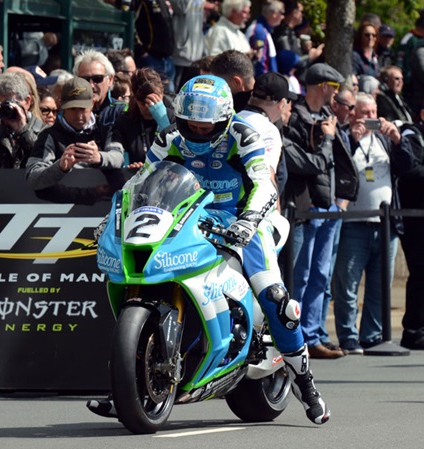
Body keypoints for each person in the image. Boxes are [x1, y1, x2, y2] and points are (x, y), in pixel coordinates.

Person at [88, 74, 331, 425]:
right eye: (191, 124)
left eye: (207, 126)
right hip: (187, 217)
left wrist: (248, 220)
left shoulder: (241, 136)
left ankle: (305, 384)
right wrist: (114, 219)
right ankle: (132, 389)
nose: (198, 131)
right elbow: (141, 184)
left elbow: (264, 182)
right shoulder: (169, 137)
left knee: (274, 296)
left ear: (225, 118)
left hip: (243, 219)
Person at [283, 63, 358, 359]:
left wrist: (343, 197)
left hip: (327, 204)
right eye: (335, 87)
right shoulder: (298, 118)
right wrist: (327, 137)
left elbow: (336, 162)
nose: (336, 94)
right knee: (300, 275)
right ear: (322, 86)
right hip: (307, 204)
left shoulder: (326, 116)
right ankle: (294, 336)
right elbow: (311, 161)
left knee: (320, 275)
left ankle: (312, 335)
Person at [333, 92, 413, 354]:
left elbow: (407, 167)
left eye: (373, 113)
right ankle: (348, 336)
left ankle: (372, 334)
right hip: (354, 223)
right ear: (353, 113)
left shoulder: (384, 139)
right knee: (348, 283)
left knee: (381, 284)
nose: (370, 118)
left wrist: (398, 141)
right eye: (364, 113)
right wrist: (354, 141)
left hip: (385, 224)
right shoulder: (344, 137)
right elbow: (338, 167)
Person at [25, 76, 123, 204]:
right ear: (62, 106)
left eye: (82, 109)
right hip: (61, 213)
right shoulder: (49, 135)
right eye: (72, 109)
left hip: (105, 209)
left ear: (92, 103)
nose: (78, 115)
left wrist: (99, 158)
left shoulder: (106, 130)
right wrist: (60, 167)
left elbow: (118, 157)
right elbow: (33, 178)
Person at [237, 72, 296, 198]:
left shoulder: (231, 119)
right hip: (248, 205)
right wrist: (275, 214)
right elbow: (268, 176)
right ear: (282, 104)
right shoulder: (269, 130)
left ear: (252, 94)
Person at [103, 0, 175, 92]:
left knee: (170, 99)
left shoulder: (164, 2)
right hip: (150, 59)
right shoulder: (140, 2)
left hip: (167, 60)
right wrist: (141, 51)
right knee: (149, 94)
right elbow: (129, 22)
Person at [109, 67, 174, 167]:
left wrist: (164, 122)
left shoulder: (175, 119)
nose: (149, 106)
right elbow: (117, 152)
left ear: (162, 92)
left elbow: (181, 155)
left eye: (154, 100)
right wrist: (130, 167)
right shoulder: (125, 121)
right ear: (134, 96)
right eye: (143, 102)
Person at [398, 102, 424, 349]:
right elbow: (412, 172)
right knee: (419, 271)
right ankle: (413, 330)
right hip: (414, 217)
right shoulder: (412, 134)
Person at [72, 50, 127, 131]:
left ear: (110, 80)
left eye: (97, 79)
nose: (91, 85)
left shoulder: (121, 110)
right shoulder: (69, 111)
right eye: (85, 80)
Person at [171, 0, 206, 90]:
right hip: (181, 53)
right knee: (176, 92)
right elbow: (180, 7)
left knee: (189, 91)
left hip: (196, 55)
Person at [245, 0, 283, 77]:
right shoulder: (259, 31)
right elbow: (259, 63)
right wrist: (266, 85)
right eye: (281, 13)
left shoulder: (264, 29)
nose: (283, 17)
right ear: (274, 14)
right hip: (263, 84)